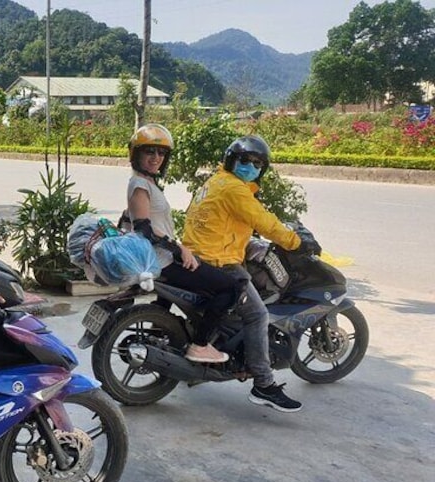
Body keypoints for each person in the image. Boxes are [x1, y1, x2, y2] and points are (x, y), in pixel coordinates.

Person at [183, 135, 319, 413]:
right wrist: (295, 242)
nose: (250, 166)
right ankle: (264, 384)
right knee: (257, 314)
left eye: (257, 163)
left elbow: (233, 220)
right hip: (218, 260)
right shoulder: (235, 189)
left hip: (198, 253)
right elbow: (263, 221)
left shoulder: (215, 182)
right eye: (245, 161)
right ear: (232, 160)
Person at [123, 124, 240, 363]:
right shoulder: (140, 184)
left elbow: (130, 219)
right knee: (230, 287)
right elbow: (144, 227)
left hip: (160, 257)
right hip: (162, 260)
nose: (156, 158)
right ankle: (200, 344)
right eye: (150, 152)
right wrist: (180, 249)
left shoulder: (145, 181)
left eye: (161, 153)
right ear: (136, 154)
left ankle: (162, 338)